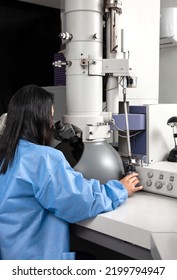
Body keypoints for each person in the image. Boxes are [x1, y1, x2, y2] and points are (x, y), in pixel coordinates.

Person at [0, 84, 143, 260]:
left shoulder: (7, 153)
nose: (52, 125)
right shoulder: (44, 158)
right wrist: (120, 189)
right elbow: (79, 201)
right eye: (50, 118)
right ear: (40, 120)